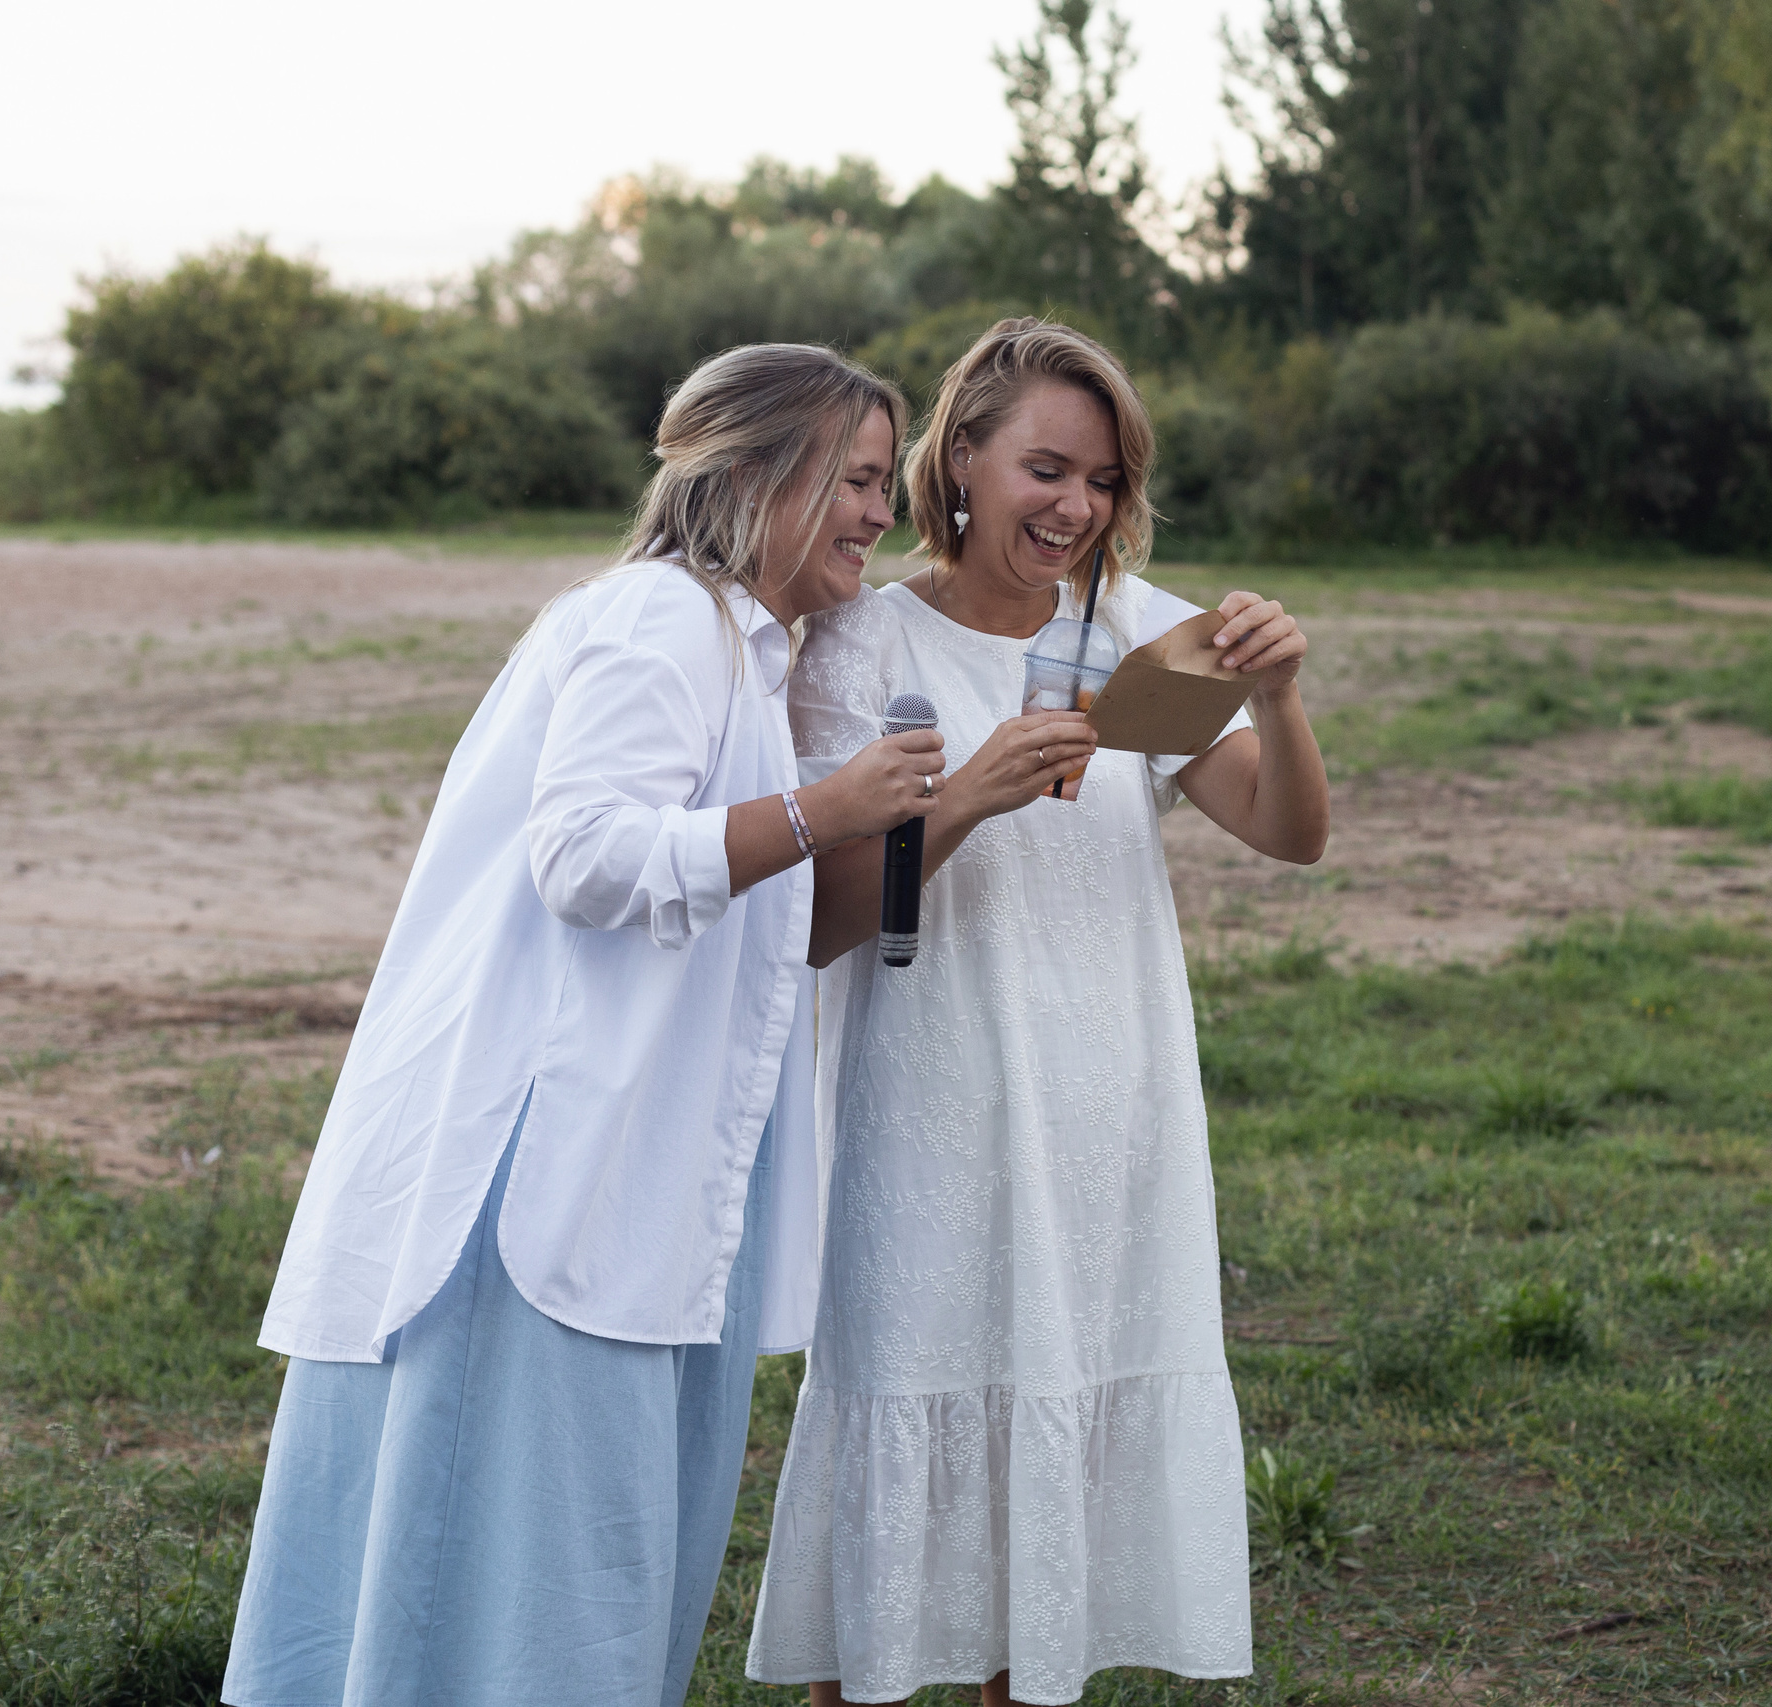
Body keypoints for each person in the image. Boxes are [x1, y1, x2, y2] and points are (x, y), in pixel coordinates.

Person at [221, 343, 947, 1707]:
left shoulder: (748, 650)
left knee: (589, 1564)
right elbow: (588, 856)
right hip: (544, 1166)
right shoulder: (658, 621)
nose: (879, 517)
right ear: (756, 475)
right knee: (515, 1560)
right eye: (856, 482)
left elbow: (758, 918)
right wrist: (822, 810)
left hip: (642, 1165)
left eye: (884, 487)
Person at [745, 318, 1330, 1707]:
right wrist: (966, 796)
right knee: (902, 1432)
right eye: (1048, 469)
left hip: (1103, 1097)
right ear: (961, 461)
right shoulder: (860, 640)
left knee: (1046, 1463)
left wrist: (1281, 700)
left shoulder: (1138, 634)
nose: (1077, 507)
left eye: (1106, 481)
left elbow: (1289, 833)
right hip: (921, 1104)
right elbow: (822, 921)